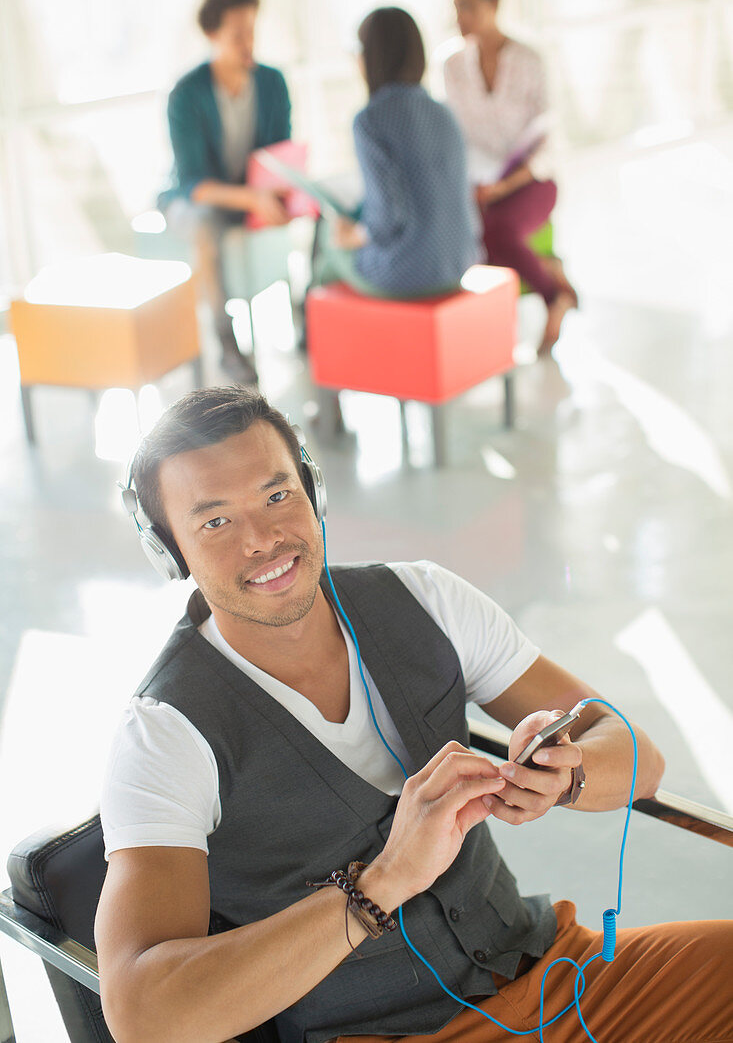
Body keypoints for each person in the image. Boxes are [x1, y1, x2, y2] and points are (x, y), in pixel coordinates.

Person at [95, 385, 732, 1043]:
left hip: (547, 975)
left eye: (277, 495)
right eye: (215, 521)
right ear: (168, 548)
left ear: (312, 492)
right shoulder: (164, 734)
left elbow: (637, 757)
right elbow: (144, 1016)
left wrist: (567, 775)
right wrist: (383, 880)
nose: (263, 538)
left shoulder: (425, 598)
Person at [158, 0, 293, 383]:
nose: (248, 42)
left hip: (248, 196)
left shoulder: (271, 82)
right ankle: (227, 344)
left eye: (252, 30)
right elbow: (193, 181)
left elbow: (280, 153)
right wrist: (252, 197)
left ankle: (307, 324)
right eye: (238, 34)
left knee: (320, 206)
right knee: (204, 224)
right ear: (212, 35)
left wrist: (283, 193)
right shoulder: (186, 93)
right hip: (195, 198)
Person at [444, 0, 577, 355]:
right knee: (465, 238)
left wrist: (502, 186)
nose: (460, 18)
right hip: (479, 182)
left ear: (494, 4)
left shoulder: (530, 61)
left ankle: (554, 297)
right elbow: (456, 138)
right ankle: (548, 272)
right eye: (456, 9)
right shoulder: (452, 66)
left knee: (495, 231)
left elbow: (546, 142)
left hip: (531, 181)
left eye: (468, 7)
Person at [316, 7, 477, 298]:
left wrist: (354, 236)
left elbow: (387, 218)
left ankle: (310, 330)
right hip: (462, 260)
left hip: (409, 273)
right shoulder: (444, 112)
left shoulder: (370, 120)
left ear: (369, 56)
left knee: (329, 242)